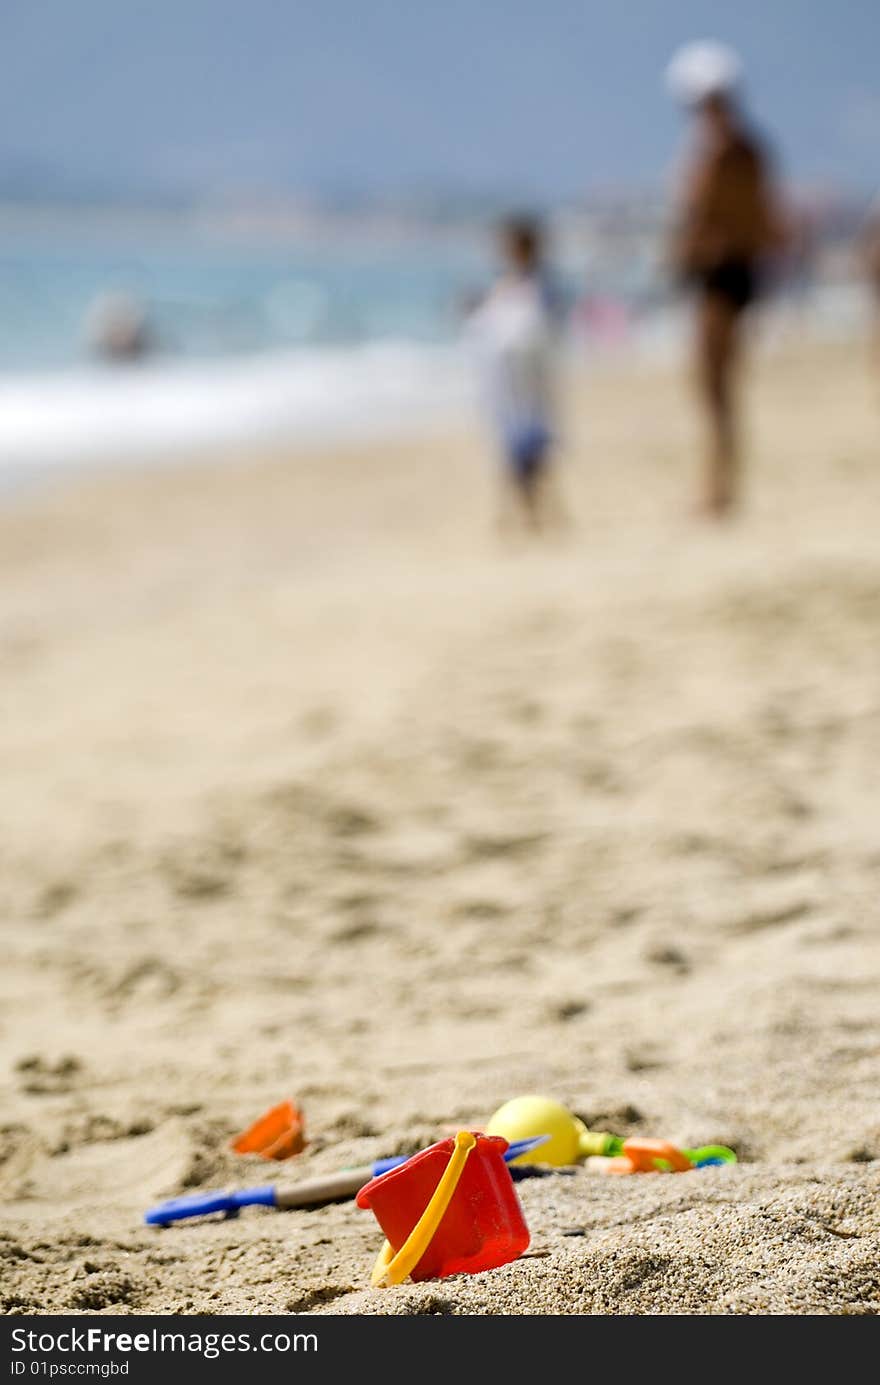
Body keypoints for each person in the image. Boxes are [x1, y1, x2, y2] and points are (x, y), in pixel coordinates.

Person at [666, 41, 787, 517]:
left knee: (714, 385)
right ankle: (721, 481)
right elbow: (767, 223)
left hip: (720, 276)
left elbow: (698, 220)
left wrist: (685, 256)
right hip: (741, 274)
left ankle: (719, 486)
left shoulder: (717, 155)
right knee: (721, 385)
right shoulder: (753, 151)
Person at [466, 216, 566, 534]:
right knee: (513, 450)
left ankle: (537, 511)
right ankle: (521, 512)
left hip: (531, 381)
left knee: (534, 450)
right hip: (509, 381)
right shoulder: (509, 285)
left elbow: (542, 330)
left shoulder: (537, 287)